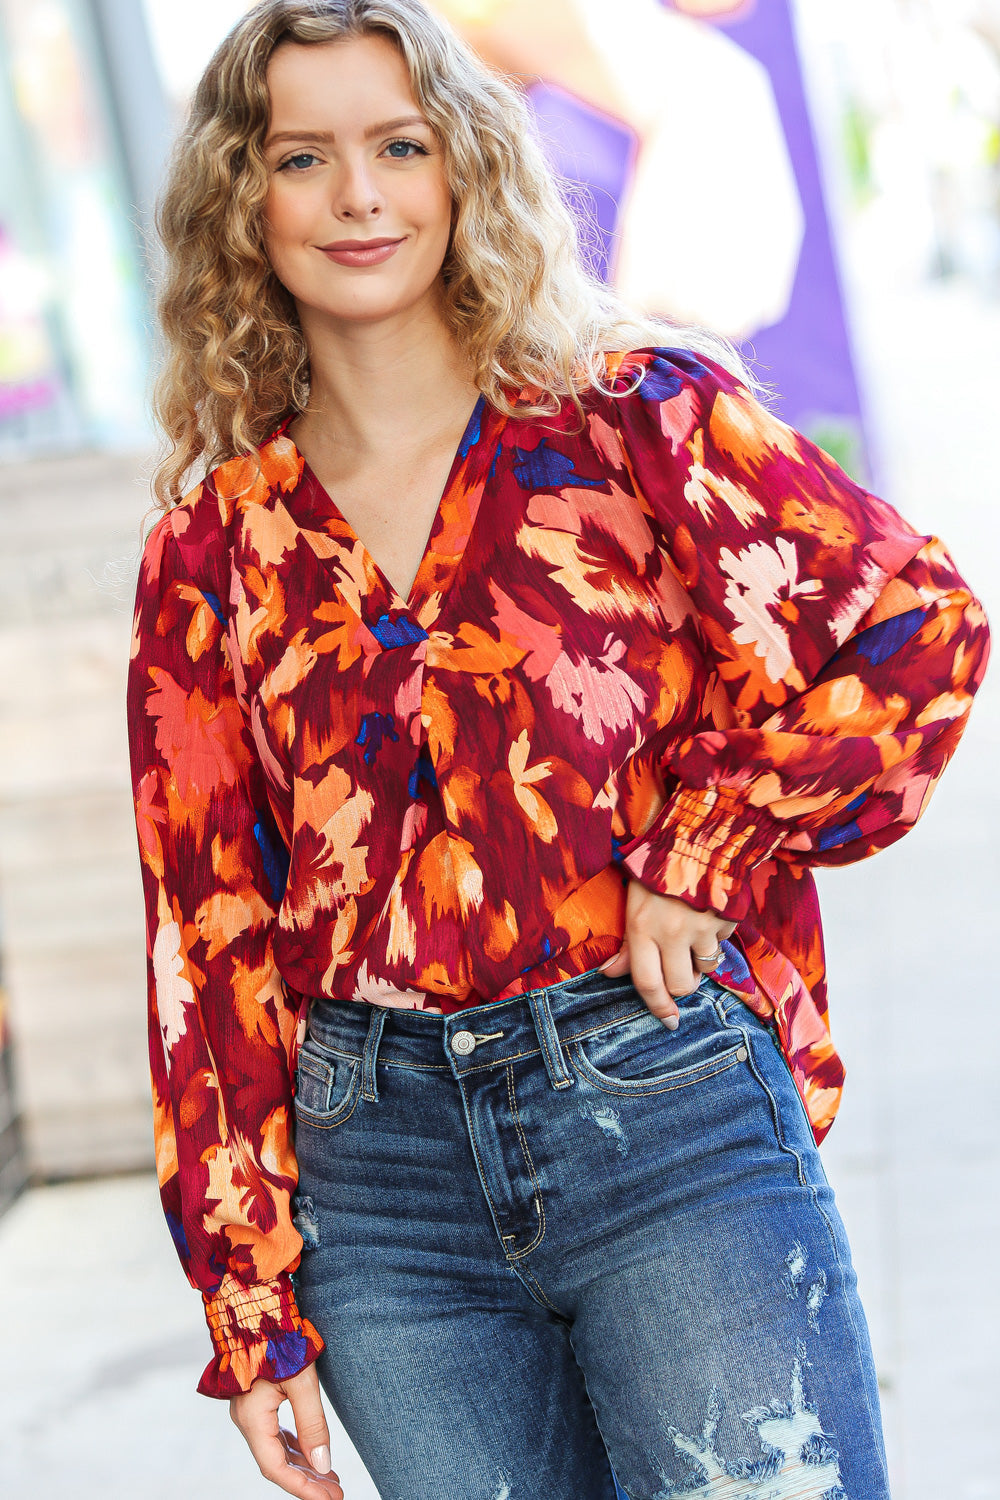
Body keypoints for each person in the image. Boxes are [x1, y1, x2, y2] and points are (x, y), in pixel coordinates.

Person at [127, 2, 989, 1497]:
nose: (359, 196)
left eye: (399, 145)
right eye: (301, 157)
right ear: (237, 200)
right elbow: (203, 935)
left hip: (659, 1108)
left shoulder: (635, 422)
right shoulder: (213, 548)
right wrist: (250, 1300)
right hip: (376, 1186)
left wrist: (711, 842)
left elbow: (918, 626)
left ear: (463, 164)